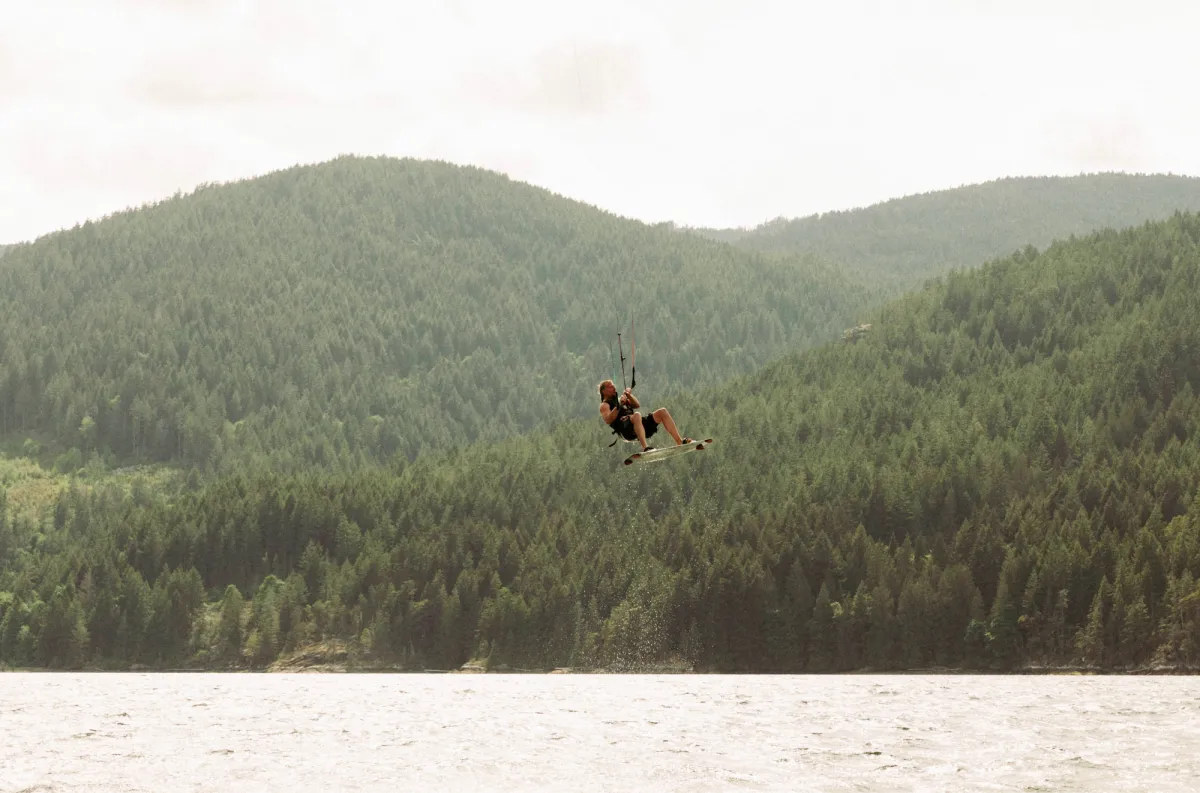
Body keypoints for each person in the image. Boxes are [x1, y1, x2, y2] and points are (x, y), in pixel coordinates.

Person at [598, 379, 690, 452]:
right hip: (626, 430)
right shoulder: (604, 405)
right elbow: (608, 419)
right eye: (610, 387)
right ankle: (645, 448)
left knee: (662, 411)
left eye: (613, 385)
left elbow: (637, 405)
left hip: (638, 425)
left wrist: (629, 396)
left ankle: (679, 441)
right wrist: (620, 405)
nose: (614, 387)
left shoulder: (619, 399)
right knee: (637, 415)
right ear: (603, 391)